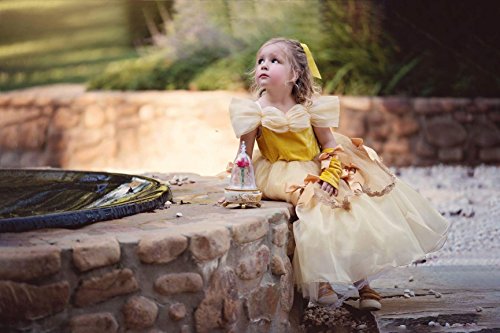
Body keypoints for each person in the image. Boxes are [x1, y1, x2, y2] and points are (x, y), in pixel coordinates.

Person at [228, 37, 449, 310]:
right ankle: (322, 280)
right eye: (261, 60)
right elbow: (244, 156)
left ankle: (363, 283)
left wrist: (331, 174)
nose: (264, 65)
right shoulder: (253, 112)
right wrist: (239, 188)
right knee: (315, 210)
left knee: (351, 210)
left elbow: (329, 146)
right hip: (279, 170)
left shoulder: (310, 107)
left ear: (294, 74)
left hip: (319, 164)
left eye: (275, 60)